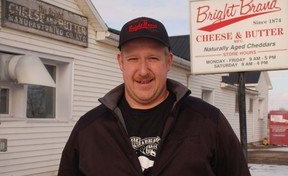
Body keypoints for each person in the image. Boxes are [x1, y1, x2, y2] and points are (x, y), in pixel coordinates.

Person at [58, 17, 251, 176]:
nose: (143, 71)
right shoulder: (89, 129)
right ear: (121, 62)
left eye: (153, 58)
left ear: (168, 62)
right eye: (133, 58)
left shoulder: (208, 121)